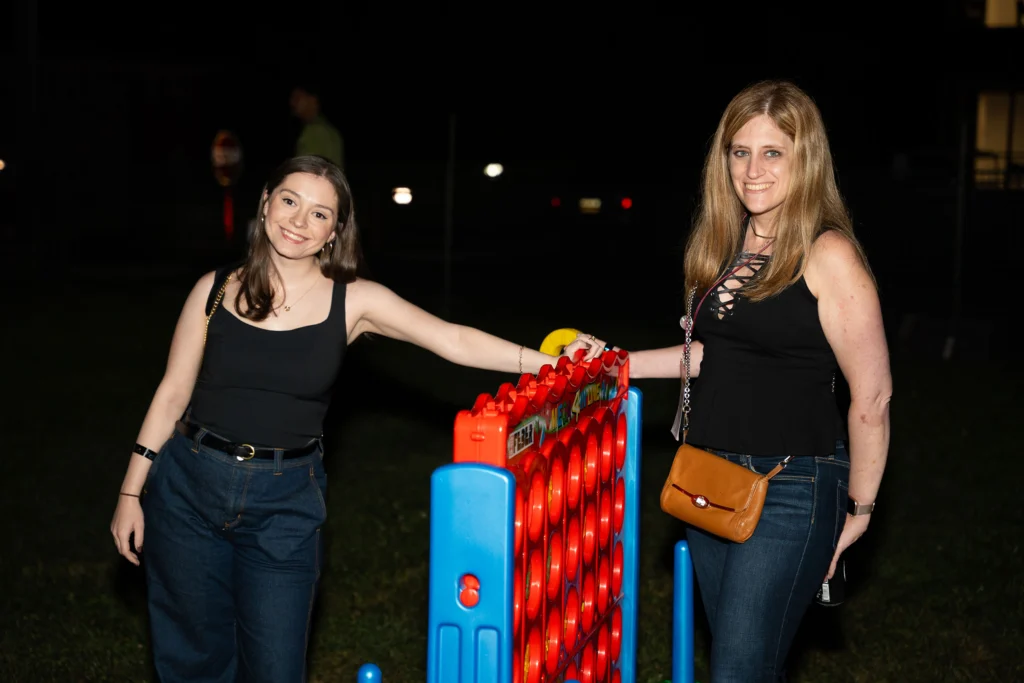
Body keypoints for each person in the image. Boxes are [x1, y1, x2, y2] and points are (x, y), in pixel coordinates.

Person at [109, 154, 560, 682]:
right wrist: (130, 493)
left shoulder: (354, 300)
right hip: (187, 488)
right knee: (191, 660)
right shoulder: (214, 288)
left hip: (284, 505)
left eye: (320, 214)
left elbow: (453, 339)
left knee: (276, 668)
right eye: (290, 201)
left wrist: (555, 362)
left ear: (334, 232)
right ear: (265, 203)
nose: (300, 221)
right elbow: (171, 394)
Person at [565, 80, 892, 682]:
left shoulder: (827, 253)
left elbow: (871, 397)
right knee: (743, 665)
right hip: (709, 478)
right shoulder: (731, 243)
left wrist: (862, 507)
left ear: (806, 160)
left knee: (738, 670)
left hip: (790, 486)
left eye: (773, 153)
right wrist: (615, 361)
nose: (753, 170)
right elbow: (710, 357)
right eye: (740, 151)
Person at [290, 84, 344, 169]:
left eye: (298, 98)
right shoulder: (328, 129)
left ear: (312, 100)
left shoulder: (315, 131)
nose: (292, 103)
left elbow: (307, 170)